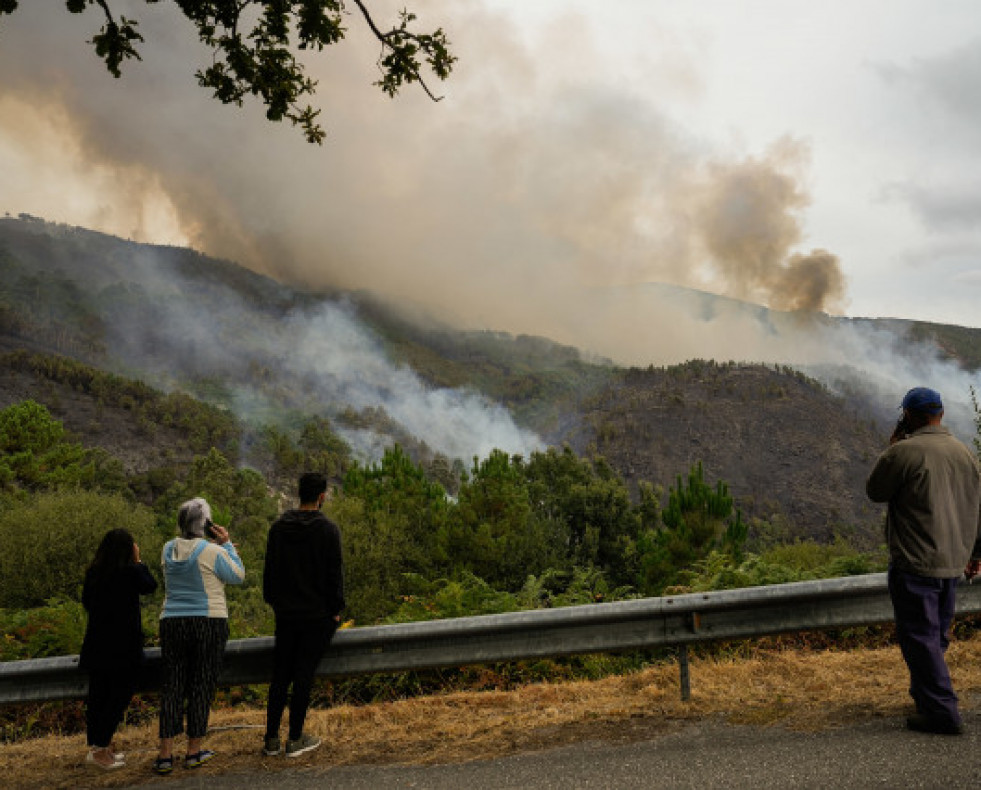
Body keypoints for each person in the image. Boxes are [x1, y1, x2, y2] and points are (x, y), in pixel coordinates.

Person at [866, 386, 981, 735]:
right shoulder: (964, 453)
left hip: (916, 563)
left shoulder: (904, 452)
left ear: (909, 416)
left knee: (920, 637)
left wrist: (893, 446)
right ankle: (927, 698)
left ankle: (942, 712)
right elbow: (978, 507)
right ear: (941, 414)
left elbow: (875, 492)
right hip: (953, 561)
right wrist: (976, 554)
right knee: (935, 637)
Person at [153, 498, 245, 775]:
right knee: (201, 684)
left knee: (173, 685)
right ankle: (193, 751)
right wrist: (227, 546)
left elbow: (185, 564)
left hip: (171, 622)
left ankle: (165, 755)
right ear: (207, 524)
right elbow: (238, 575)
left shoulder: (167, 549)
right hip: (208, 621)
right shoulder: (213, 551)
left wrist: (217, 550)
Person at [262, 472, 345, 758]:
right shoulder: (328, 530)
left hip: (286, 615)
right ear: (321, 496)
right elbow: (334, 576)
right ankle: (295, 739)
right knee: (303, 675)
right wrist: (335, 611)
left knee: (280, 675)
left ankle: (271, 739)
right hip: (316, 617)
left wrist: (275, 603)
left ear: (299, 494)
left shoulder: (278, 528)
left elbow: (269, 574)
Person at [80, 528, 158, 769]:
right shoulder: (130, 572)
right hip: (123, 648)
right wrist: (139, 561)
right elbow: (150, 586)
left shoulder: (94, 573)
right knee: (117, 698)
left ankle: (97, 748)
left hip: (97, 645)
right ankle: (100, 751)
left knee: (98, 698)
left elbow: (86, 603)